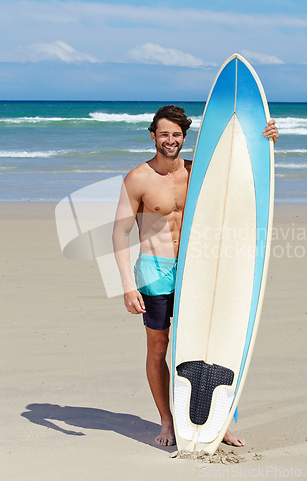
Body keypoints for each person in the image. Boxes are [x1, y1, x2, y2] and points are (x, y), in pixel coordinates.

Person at [112, 105, 279, 447]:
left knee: (212, 345)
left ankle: (221, 422)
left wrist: (268, 141)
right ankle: (167, 421)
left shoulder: (198, 172)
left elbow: (242, 174)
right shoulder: (138, 178)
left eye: (176, 134)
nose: (169, 140)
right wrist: (128, 287)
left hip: (195, 269)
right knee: (159, 347)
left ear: (184, 137)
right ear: (153, 135)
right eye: (163, 134)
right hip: (154, 270)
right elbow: (119, 233)